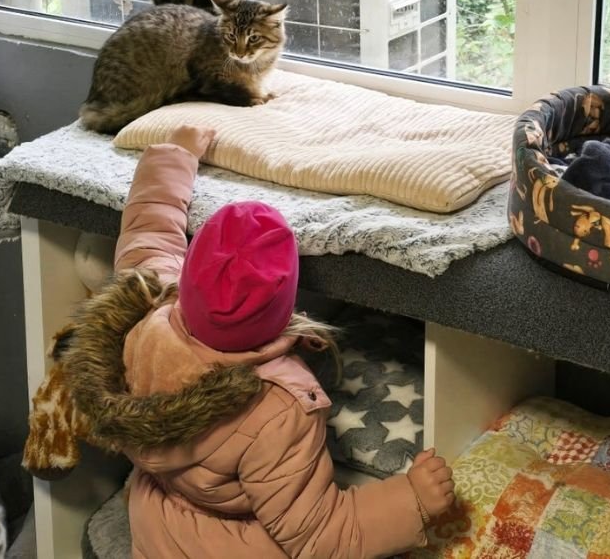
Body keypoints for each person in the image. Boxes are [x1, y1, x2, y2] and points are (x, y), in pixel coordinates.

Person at [60, 124, 454, 558]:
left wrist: (174, 153)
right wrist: (411, 500)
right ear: (286, 311)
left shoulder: (145, 308)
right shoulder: (275, 410)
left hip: (156, 525)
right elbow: (319, 536)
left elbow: (149, 227)